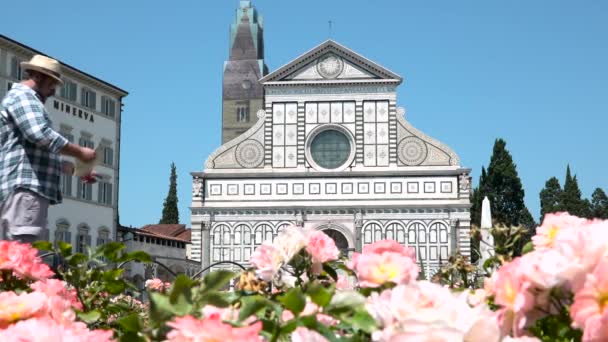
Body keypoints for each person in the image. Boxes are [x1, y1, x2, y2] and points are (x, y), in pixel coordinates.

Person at [0, 54, 97, 244]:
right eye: (52, 84)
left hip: (21, 191)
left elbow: (37, 154)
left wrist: (78, 170)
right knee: (23, 259)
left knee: (14, 259)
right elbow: (41, 135)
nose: (53, 91)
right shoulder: (24, 96)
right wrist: (81, 152)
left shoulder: (22, 99)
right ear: (39, 77)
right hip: (26, 190)